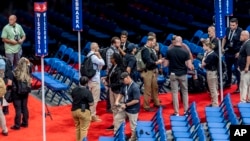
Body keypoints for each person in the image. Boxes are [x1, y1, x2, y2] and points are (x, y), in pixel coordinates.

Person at [164, 36, 194, 116]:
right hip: (183, 74)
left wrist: (164, 62)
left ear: (175, 41)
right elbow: (189, 65)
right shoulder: (185, 52)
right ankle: (186, 111)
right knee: (184, 92)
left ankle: (176, 112)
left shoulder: (169, 51)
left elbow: (165, 64)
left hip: (173, 74)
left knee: (174, 93)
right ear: (181, 41)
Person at [114, 72, 140, 141]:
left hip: (133, 109)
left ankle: (133, 139)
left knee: (133, 126)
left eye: (123, 80)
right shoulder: (125, 85)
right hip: (125, 108)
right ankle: (118, 135)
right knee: (117, 118)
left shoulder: (135, 87)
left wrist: (126, 105)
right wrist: (117, 101)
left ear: (128, 78)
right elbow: (121, 93)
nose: (122, 81)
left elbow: (136, 100)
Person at [141, 36, 164, 112]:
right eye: (154, 42)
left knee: (155, 88)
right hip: (147, 72)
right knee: (148, 90)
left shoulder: (151, 49)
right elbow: (148, 62)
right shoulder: (145, 50)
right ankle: (146, 106)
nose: (154, 44)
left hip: (153, 71)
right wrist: (158, 62)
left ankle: (156, 102)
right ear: (150, 41)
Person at [222, 18, 242, 92]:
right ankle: (228, 83)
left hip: (236, 53)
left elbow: (244, 43)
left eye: (233, 25)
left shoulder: (240, 31)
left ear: (237, 24)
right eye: (230, 25)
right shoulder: (227, 29)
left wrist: (239, 52)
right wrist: (222, 47)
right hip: (228, 52)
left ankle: (239, 86)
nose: (231, 27)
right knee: (228, 69)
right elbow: (224, 38)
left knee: (237, 70)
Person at [11, 57, 31, 130]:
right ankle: (25, 123)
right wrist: (27, 61)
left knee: (18, 109)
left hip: (17, 93)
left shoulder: (14, 72)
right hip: (25, 93)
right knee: (24, 107)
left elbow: (11, 83)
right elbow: (29, 64)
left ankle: (17, 125)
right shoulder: (28, 71)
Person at [71, 76, 94, 141]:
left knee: (77, 127)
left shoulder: (74, 89)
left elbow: (73, 97)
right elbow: (91, 103)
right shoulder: (87, 92)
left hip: (74, 110)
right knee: (83, 129)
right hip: (83, 110)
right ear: (86, 83)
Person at [106, 53, 124, 130]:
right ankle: (115, 123)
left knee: (119, 108)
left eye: (111, 58)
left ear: (115, 59)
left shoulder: (120, 69)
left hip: (118, 91)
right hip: (112, 89)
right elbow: (110, 76)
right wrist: (106, 79)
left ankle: (120, 125)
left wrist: (110, 85)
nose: (110, 60)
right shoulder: (113, 67)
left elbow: (120, 82)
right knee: (113, 107)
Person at [87, 42, 105, 122]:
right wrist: (99, 55)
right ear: (95, 48)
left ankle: (90, 114)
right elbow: (103, 63)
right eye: (98, 47)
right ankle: (92, 116)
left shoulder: (89, 54)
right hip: (95, 80)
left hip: (89, 80)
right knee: (94, 99)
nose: (99, 48)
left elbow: (100, 67)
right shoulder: (94, 56)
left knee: (90, 99)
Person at [201, 39, 219, 107]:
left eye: (204, 46)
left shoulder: (210, 55)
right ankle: (214, 102)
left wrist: (204, 56)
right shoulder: (211, 53)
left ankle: (215, 104)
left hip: (211, 73)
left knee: (213, 89)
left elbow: (203, 64)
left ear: (208, 46)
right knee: (214, 88)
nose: (203, 47)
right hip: (213, 72)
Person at [238, 30, 250, 103]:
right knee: (247, 84)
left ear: (246, 36)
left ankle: (243, 101)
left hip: (246, 69)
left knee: (244, 85)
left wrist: (247, 66)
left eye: (241, 35)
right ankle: (248, 99)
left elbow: (249, 56)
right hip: (244, 68)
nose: (240, 36)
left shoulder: (248, 44)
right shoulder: (245, 43)